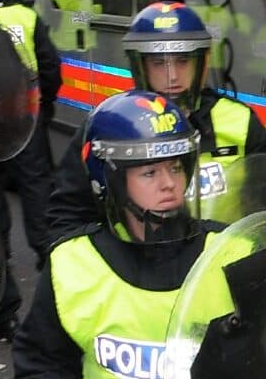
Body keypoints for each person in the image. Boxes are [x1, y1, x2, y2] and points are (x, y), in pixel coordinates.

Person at [12, 89, 226, 378]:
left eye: (175, 167)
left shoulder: (228, 251)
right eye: (149, 172)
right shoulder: (74, 264)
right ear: (112, 179)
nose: (169, 184)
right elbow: (41, 364)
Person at [47, 0, 266, 244]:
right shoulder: (109, 125)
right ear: (141, 66)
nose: (172, 76)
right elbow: (66, 216)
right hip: (137, 267)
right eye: (159, 63)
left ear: (200, 64)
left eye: (183, 61)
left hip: (220, 263)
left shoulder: (238, 120)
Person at [0, 0, 62, 341]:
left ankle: (2, 297)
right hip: (25, 115)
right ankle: (51, 259)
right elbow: (50, 68)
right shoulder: (27, 15)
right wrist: (43, 110)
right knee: (38, 188)